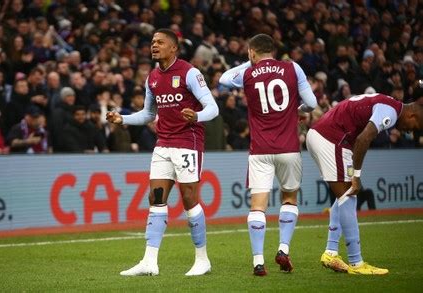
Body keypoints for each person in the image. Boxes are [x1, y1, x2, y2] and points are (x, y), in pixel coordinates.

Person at [106, 28, 219, 276]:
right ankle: (149, 262)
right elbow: (149, 115)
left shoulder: (190, 73)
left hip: (188, 142)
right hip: (163, 144)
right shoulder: (153, 78)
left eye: (160, 42)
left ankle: (202, 259)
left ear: (173, 47)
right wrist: (121, 119)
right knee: (156, 198)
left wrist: (197, 115)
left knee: (189, 199)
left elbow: (213, 108)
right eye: (152, 42)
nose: (154, 45)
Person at [219, 33, 317, 275]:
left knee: (257, 207)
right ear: (273, 50)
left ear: (252, 52)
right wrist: (298, 110)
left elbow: (223, 78)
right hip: (289, 148)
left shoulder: (247, 73)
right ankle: (283, 249)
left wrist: (250, 63)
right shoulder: (293, 68)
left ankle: (258, 262)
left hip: (260, 151)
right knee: (289, 199)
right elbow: (312, 103)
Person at [306, 93, 423, 275]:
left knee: (345, 194)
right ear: (412, 115)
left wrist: (353, 172)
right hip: (331, 139)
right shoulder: (391, 112)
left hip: (325, 136)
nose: (409, 131)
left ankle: (330, 253)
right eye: (414, 127)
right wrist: (357, 175)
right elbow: (363, 139)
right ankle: (356, 263)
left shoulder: (388, 103)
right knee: (349, 195)